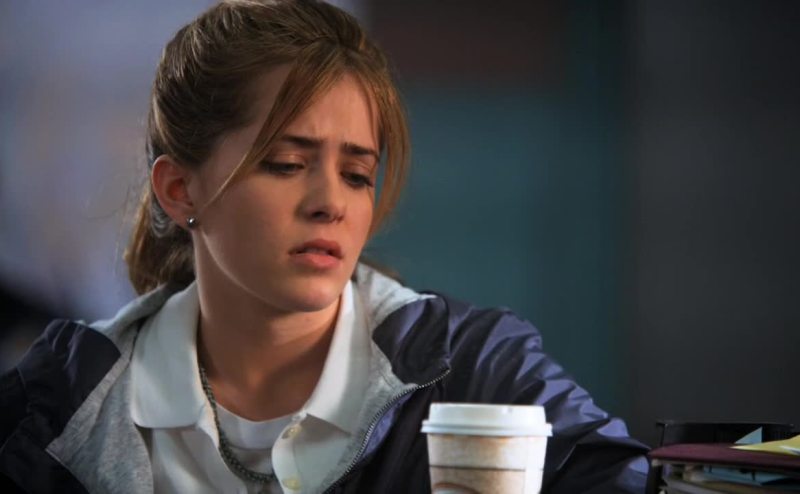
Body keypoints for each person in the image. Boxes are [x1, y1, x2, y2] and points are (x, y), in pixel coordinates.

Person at [0, 1, 649, 492]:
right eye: (286, 164)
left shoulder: (474, 372)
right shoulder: (62, 400)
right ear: (179, 189)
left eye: (358, 174)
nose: (330, 202)